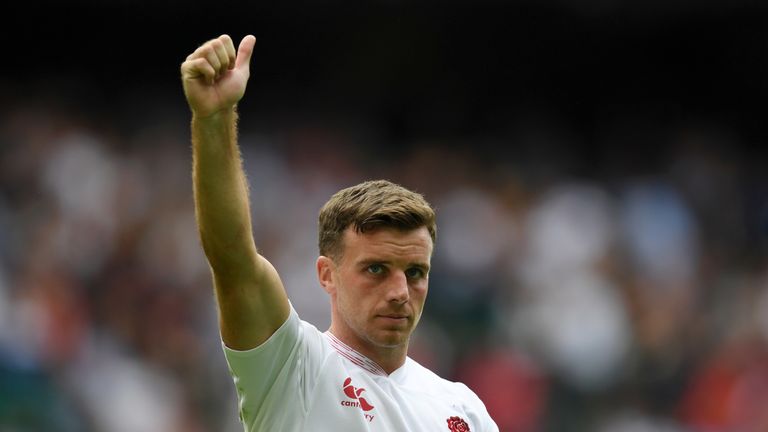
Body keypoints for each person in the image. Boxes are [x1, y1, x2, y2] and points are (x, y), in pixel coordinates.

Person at [181, 33, 499, 432]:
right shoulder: (293, 368)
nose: (400, 291)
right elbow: (231, 256)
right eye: (376, 269)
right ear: (326, 274)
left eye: (415, 272)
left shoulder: (463, 408)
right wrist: (214, 118)